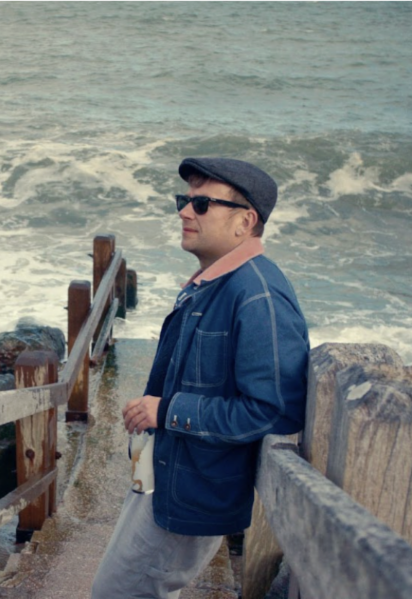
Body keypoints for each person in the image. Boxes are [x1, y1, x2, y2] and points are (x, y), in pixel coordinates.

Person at [91, 158, 310, 598]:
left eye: (203, 204)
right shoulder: (215, 284)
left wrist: (167, 411)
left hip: (193, 491)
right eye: (184, 201)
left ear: (245, 222)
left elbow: (273, 411)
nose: (185, 212)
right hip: (168, 475)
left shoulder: (258, 294)